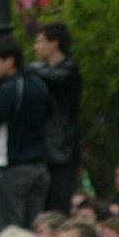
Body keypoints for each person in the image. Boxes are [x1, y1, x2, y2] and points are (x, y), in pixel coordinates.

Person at [0, 37, 52, 237]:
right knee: (36, 228)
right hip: (39, 163)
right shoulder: (38, 84)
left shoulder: (11, 89)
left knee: (12, 230)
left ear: (9, 61)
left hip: (13, 165)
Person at [29, 22, 82, 214]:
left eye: (41, 41)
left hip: (60, 146)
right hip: (44, 145)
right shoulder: (39, 70)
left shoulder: (68, 70)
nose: (36, 47)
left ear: (54, 44)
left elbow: (57, 78)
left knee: (57, 202)